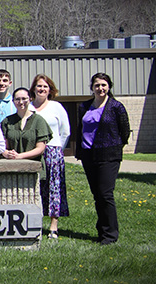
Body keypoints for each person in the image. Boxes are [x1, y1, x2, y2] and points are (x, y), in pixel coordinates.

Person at [76, 72, 129, 245]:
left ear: (109, 87)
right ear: (92, 87)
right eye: (97, 85)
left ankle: (110, 235)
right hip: (88, 155)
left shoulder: (116, 106)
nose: (100, 88)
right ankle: (102, 231)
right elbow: (81, 128)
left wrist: (114, 146)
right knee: (97, 195)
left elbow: (125, 131)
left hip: (109, 156)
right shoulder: (84, 106)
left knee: (106, 194)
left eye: (104, 85)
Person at [0, 87, 53, 236]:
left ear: (30, 99)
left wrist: (21, 156)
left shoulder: (38, 121)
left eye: (24, 98)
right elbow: (2, 145)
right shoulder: (8, 121)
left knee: (33, 199)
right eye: (17, 99)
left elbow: (40, 148)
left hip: (33, 167)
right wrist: (6, 153)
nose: (21, 102)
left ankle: (34, 230)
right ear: (13, 101)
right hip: (12, 167)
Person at [30, 74, 71, 238]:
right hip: (33, 152)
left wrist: (57, 148)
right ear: (33, 88)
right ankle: (35, 223)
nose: (42, 89)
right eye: (39, 86)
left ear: (50, 90)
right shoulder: (28, 107)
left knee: (54, 188)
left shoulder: (56, 107)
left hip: (53, 152)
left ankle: (53, 226)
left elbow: (65, 131)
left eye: (45, 86)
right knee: (37, 187)